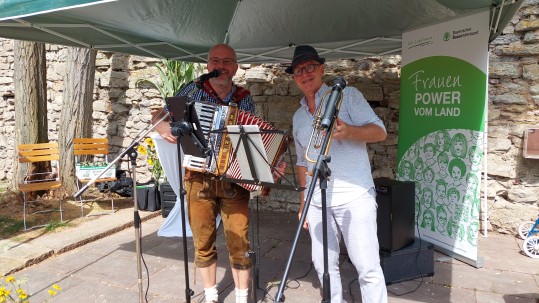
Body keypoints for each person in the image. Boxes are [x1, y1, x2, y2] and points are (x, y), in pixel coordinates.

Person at [153, 44, 253, 303]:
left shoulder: (244, 97)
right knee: (203, 240)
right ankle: (210, 296)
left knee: (239, 242)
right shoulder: (193, 89)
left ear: (235, 67)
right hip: (198, 177)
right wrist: (161, 124)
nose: (221, 66)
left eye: (227, 61)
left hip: (234, 179)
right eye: (216, 60)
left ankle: (242, 298)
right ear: (208, 65)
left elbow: (251, 135)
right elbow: (161, 113)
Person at [288, 45, 388, 303]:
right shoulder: (298, 116)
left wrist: (350, 132)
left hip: (355, 195)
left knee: (367, 267)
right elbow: (302, 162)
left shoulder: (347, 95)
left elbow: (380, 132)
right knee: (323, 267)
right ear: (294, 77)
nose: (305, 73)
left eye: (310, 67)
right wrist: (303, 203)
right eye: (299, 70)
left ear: (322, 69)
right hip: (317, 201)